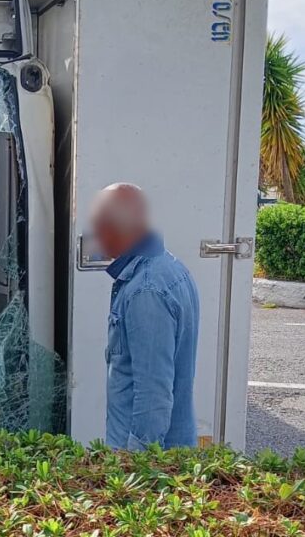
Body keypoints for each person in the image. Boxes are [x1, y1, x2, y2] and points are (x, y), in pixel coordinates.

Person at [90, 183, 199, 450]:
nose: (94, 239)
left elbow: (153, 394)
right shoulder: (170, 268)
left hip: (143, 463)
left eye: (96, 229)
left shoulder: (145, 291)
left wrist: (135, 467)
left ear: (110, 230)